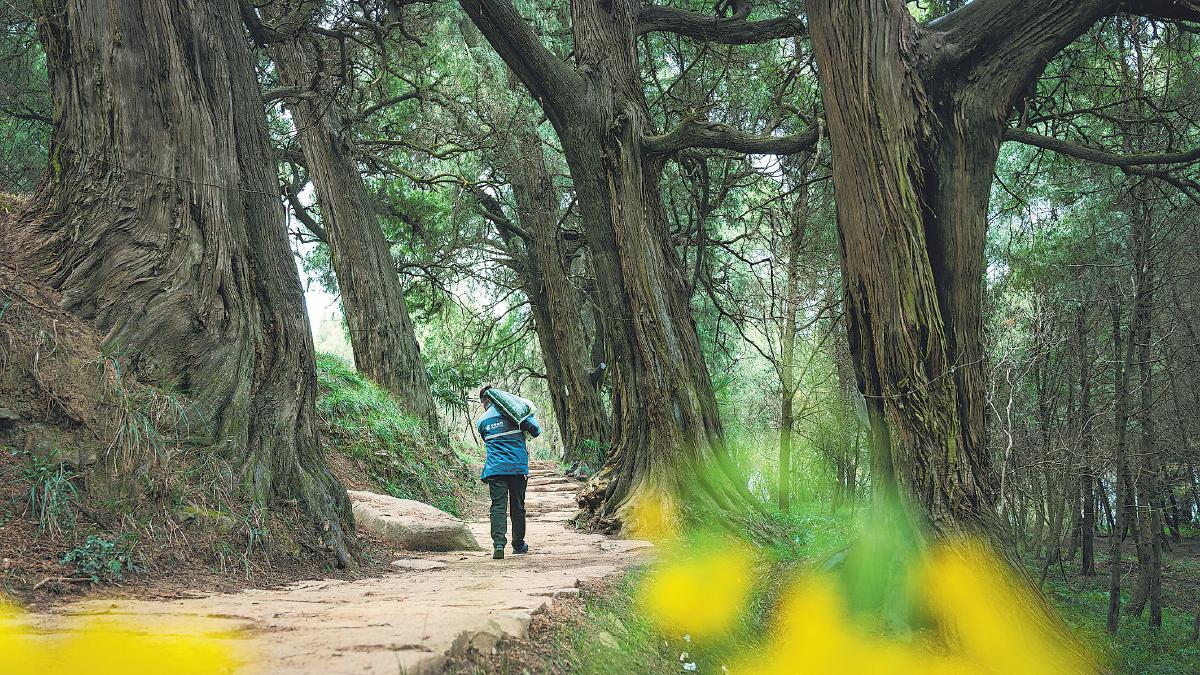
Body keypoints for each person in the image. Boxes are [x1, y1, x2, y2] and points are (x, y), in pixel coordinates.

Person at [477, 385, 541, 559]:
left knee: (498, 506)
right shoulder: (517, 412)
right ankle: (518, 545)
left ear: (484, 403)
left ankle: (499, 545)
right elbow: (536, 431)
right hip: (517, 468)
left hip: (495, 469)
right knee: (517, 506)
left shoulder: (482, 421)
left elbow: (487, 440)